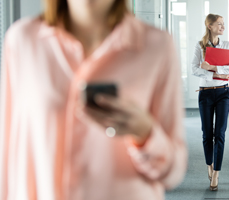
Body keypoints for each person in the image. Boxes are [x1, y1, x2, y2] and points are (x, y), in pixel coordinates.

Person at [0, 0, 187, 199]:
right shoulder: (23, 40)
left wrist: (144, 132)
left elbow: (174, 173)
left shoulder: (156, 46)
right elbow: (9, 150)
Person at [191, 13, 229, 191]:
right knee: (206, 133)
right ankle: (208, 164)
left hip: (224, 93)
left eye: (223, 24)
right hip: (206, 93)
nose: (222, 27)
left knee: (220, 134)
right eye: (219, 24)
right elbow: (194, 69)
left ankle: (216, 172)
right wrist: (216, 74)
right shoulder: (200, 45)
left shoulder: (227, 45)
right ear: (209, 26)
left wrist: (212, 67)